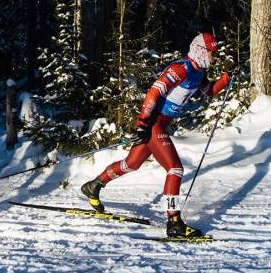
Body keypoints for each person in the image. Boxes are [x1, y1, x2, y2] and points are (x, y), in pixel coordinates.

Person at [81, 33, 231, 239]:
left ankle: (93, 185)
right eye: (212, 53)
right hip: (154, 123)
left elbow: (209, 90)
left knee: (131, 163)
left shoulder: (199, 72)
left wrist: (225, 79)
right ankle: (174, 222)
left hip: (162, 124)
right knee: (175, 169)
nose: (214, 57)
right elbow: (154, 92)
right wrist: (143, 123)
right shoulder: (180, 68)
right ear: (201, 51)